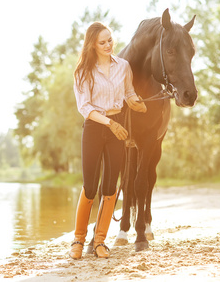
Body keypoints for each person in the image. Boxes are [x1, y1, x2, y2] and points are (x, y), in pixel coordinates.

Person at [70, 22, 147, 260]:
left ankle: (100, 241)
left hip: (117, 127)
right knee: (90, 186)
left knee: (110, 186)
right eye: (102, 42)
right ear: (92, 44)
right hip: (95, 127)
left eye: (110, 40)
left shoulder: (123, 66)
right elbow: (85, 108)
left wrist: (137, 103)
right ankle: (78, 240)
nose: (108, 45)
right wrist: (110, 124)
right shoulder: (83, 71)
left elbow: (128, 92)